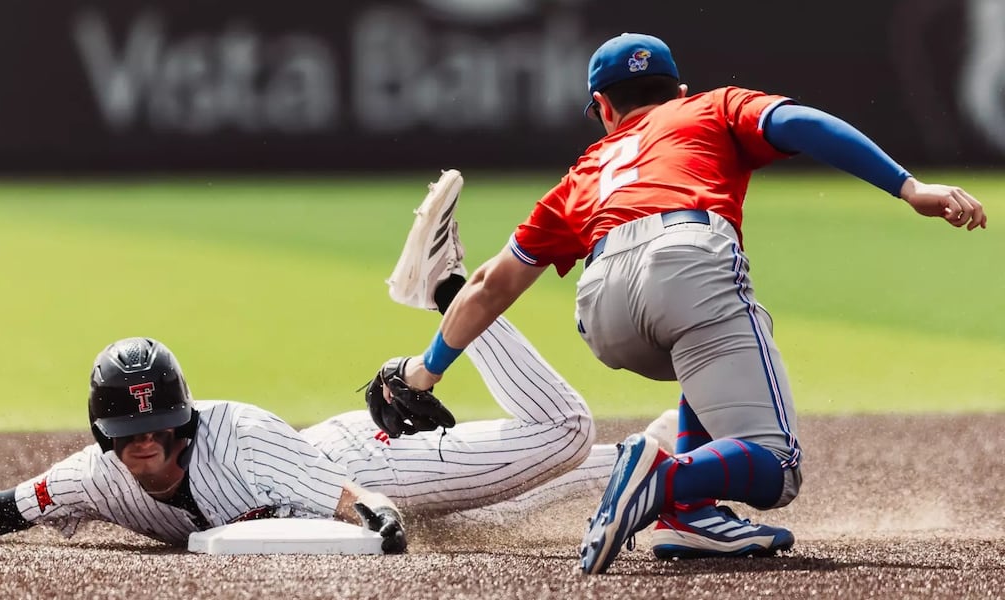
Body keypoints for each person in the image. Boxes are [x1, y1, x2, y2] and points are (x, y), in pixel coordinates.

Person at [379, 32, 987, 575]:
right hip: (689, 258)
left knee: (695, 349)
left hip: (603, 308)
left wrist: (423, 372)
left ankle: (687, 516)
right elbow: (803, 123)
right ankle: (669, 478)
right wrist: (910, 187)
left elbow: (490, 285)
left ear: (602, 109)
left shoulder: (584, 171)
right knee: (777, 466)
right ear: (680, 90)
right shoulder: (711, 105)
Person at [0, 174, 671, 553]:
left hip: (354, 464)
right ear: (105, 435)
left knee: (559, 432)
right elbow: (8, 507)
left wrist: (378, 527)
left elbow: (360, 504)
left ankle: (446, 283)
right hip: (346, 472)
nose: (144, 445)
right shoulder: (101, 475)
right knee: (506, 515)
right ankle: (664, 462)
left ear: (182, 420)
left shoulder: (243, 442)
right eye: (129, 433)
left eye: (157, 427)